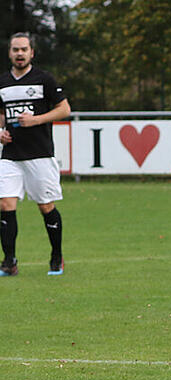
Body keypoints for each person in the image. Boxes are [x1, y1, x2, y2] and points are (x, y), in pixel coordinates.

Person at [0, 32, 71, 277]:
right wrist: (0, 132)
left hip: (39, 153)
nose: (20, 53)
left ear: (32, 52)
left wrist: (36, 120)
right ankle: (9, 261)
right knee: (5, 203)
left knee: (46, 206)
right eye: (15, 49)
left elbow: (64, 109)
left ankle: (56, 257)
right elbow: (1, 115)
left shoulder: (44, 79)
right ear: (9, 52)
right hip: (10, 155)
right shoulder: (2, 82)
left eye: (24, 49)